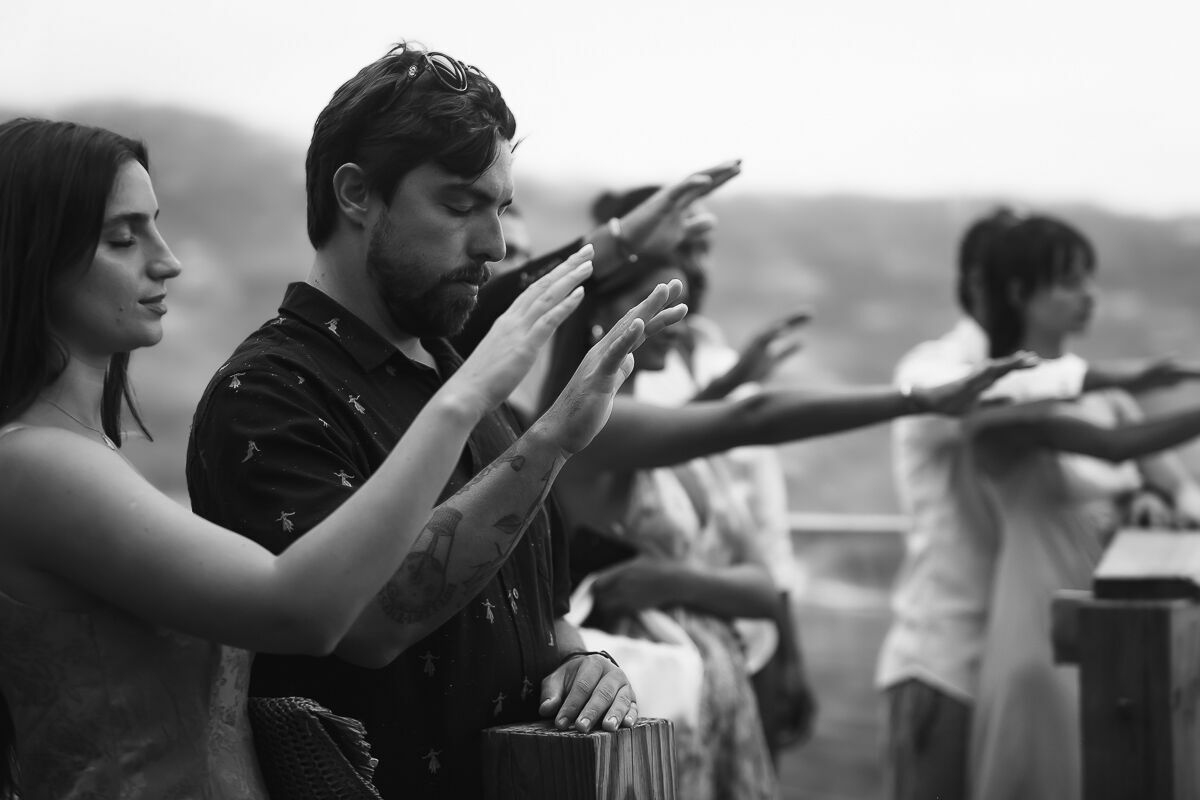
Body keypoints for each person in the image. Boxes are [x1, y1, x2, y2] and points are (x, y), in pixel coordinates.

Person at [0, 117, 672, 800]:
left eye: (156, 225)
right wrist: (468, 401)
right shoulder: (36, 465)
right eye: (123, 237)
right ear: (32, 253)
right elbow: (309, 609)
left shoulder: (84, 454)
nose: (166, 258)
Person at [184, 44, 691, 799]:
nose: (490, 245)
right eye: (459, 206)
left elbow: (544, 615)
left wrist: (586, 669)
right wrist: (550, 441)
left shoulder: (459, 374)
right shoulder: (265, 395)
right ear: (356, 194)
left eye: (500, 209)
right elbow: (370, 622)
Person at [536, 247, 1036, 800]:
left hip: (716, 715)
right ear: (597, 310)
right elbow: (754, 418)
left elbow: (764, 588)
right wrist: (914, 401)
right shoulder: (592, 428)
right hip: (654, 718)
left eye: (683, 302)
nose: (677, 322)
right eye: (655, 300)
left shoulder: (662, 443)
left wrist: (677, 581)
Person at [877, 208, 1200, 800]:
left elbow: (1172, 485)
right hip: (975, 641)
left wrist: (1148, 501)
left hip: (1101, 634)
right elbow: (1103, 441)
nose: (1088, 297)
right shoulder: (959, 379)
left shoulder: (1098, 393)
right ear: (1006, 287)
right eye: (1067, 280)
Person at [592, 184, 816, 757]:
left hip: (743, 646)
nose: (692, 270)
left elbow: (764, 541)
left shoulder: (717, 360)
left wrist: (789, 648)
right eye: (681, 248)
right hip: (659, 679)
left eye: (701, 251)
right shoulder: (621, 391)